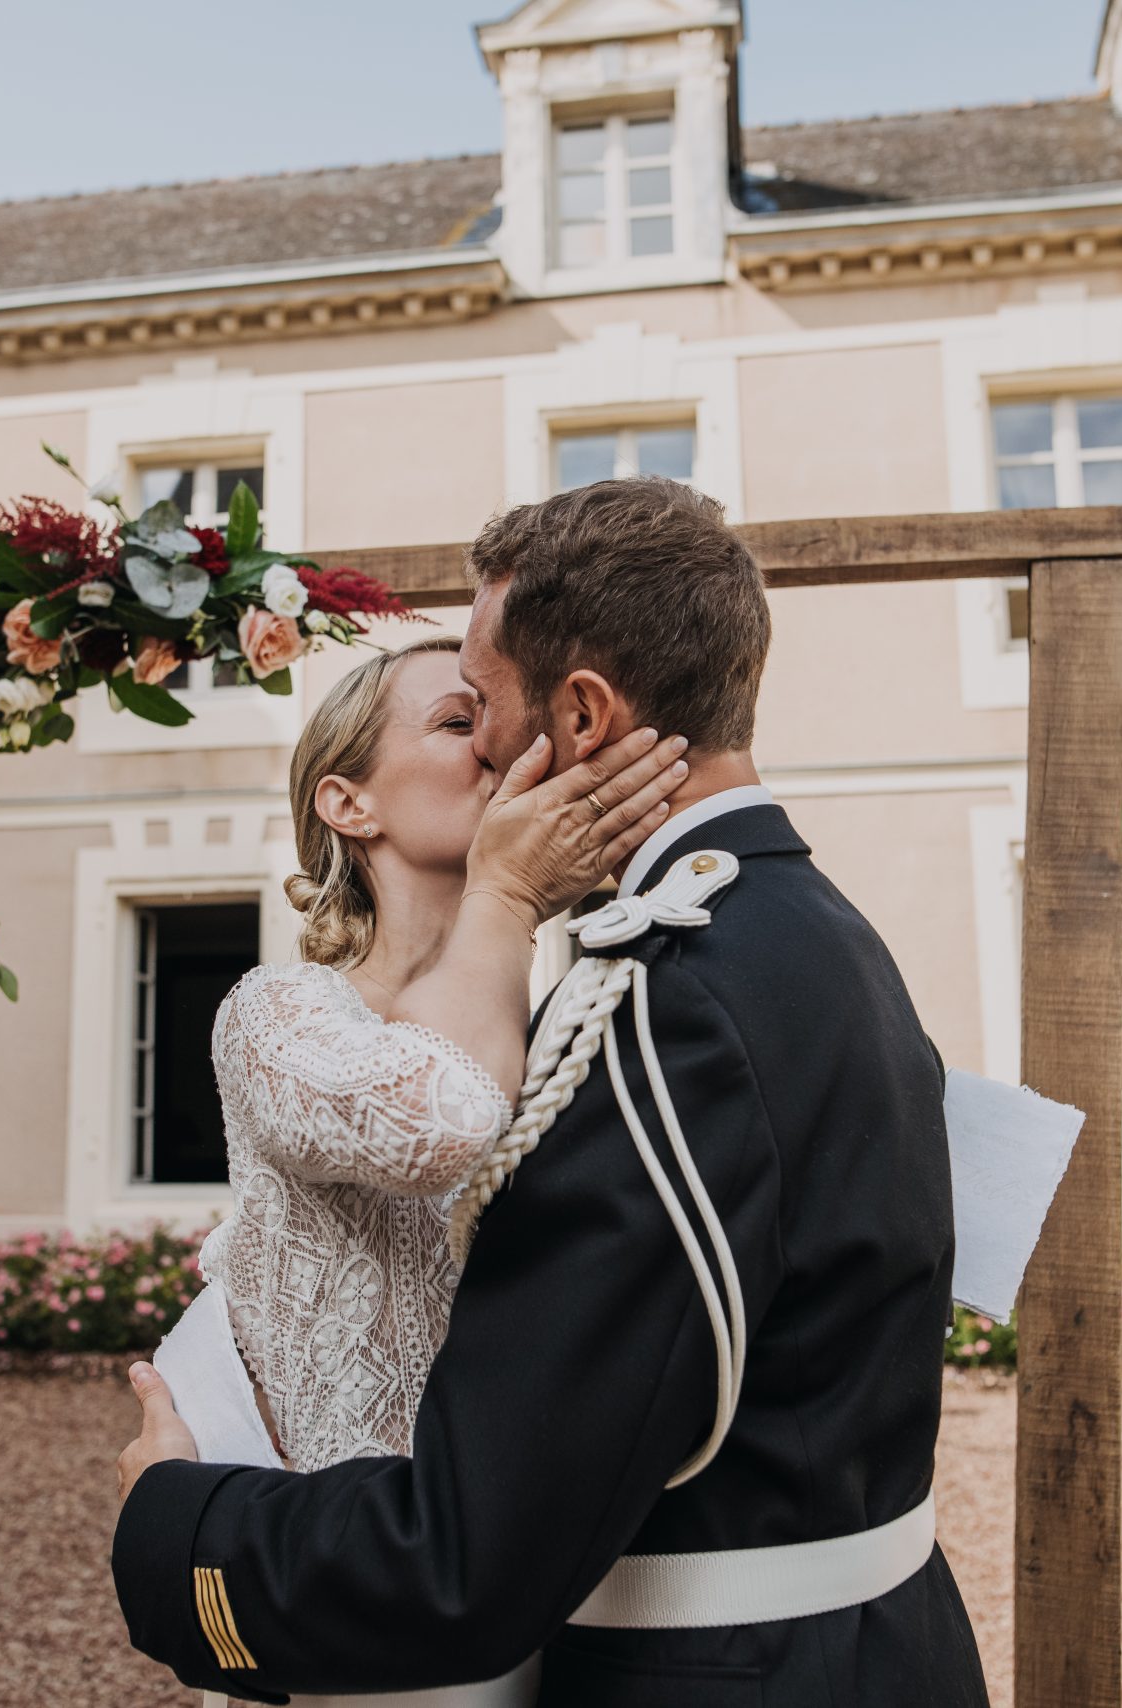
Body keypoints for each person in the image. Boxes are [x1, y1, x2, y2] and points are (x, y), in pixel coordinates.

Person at [115, 477, 988, 1708]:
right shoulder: (807, 930)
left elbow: (471, 1554)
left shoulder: (665, 998)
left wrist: (179, 1529)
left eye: (487, 704)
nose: (476, 743)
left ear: (579, 715)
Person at [144, 632, 688, 1708]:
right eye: (455, 722)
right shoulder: (275, 1014)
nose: (497, 745)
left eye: (496, 717)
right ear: (348, 803)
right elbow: (438, 1114)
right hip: (337, 1582)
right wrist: (506, 897)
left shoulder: (569, 1020)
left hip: (521, 1572)